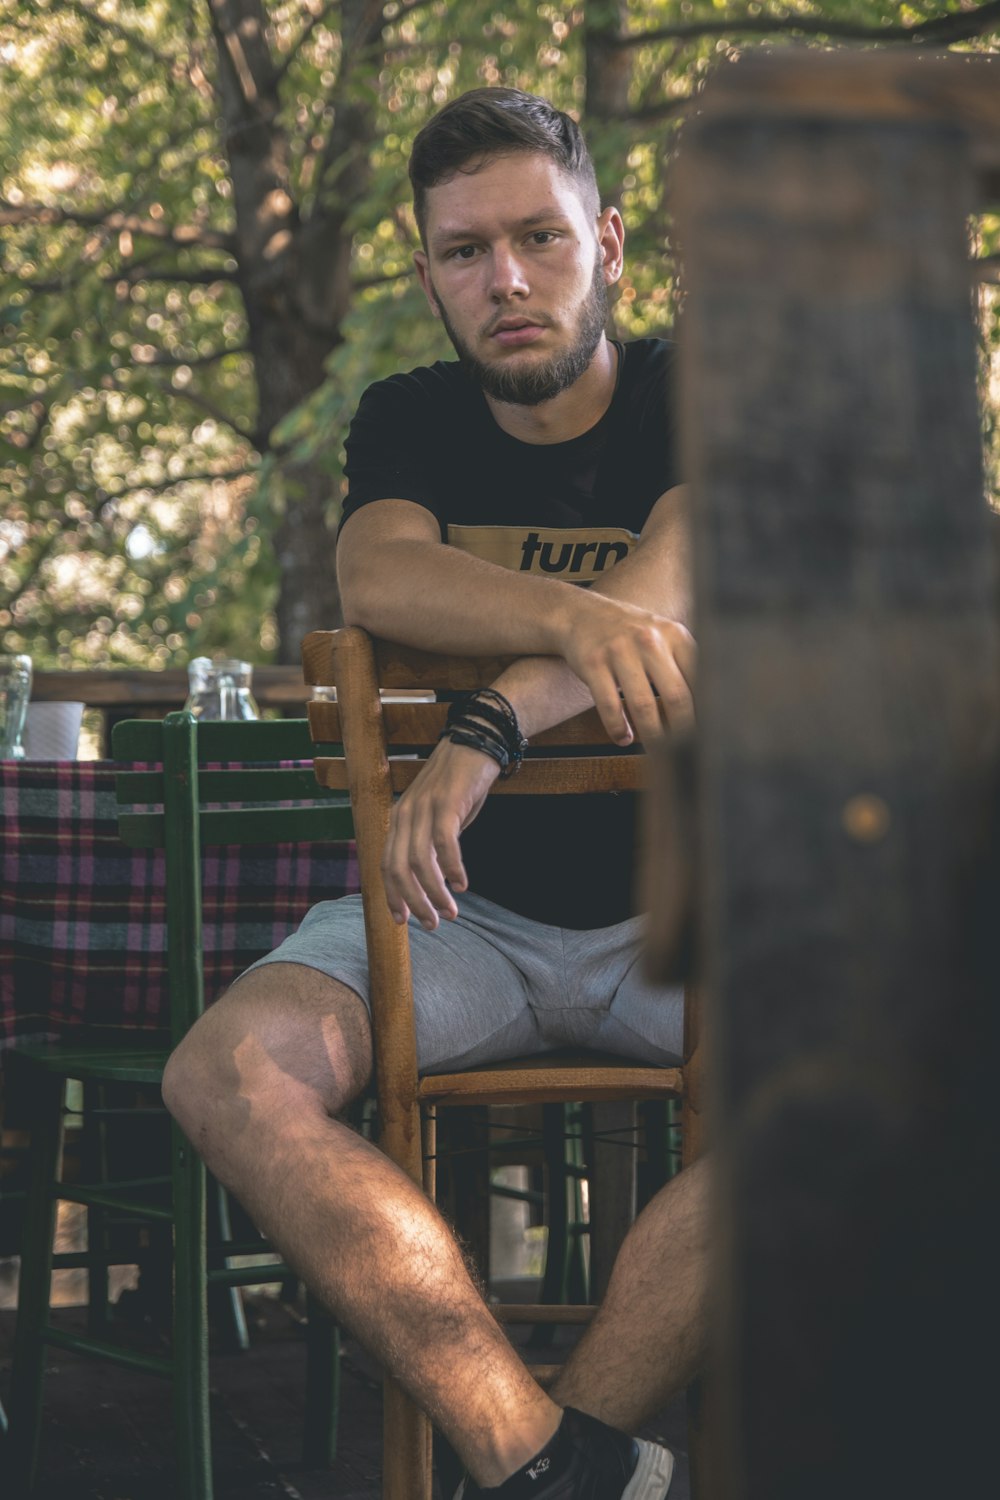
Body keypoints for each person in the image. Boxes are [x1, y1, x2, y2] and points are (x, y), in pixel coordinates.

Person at [163, 87, 707, 1500]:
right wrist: (584, 628)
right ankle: (539, 1463)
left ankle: (529, 1472)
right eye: (465, 252)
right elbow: (378, 577)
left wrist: (488, 722)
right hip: (454, 912)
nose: (506, 279)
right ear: (428, 275)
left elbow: (673, 585)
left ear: (611, 245)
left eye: (539, 237)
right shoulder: (405, 417)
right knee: (222, 1073)